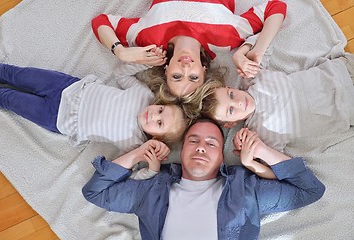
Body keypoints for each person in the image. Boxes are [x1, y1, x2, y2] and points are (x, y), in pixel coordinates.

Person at [82, 118, 325, 240]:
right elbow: (96, 192)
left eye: (211, 144)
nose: (200, 148)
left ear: (222, 157)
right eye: (193, 140)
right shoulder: (152, 188)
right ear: (182, 148)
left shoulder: (246, 188)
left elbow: (309, 190)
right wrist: (139, 153)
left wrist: (258, 153)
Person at [91, 0, 287, 98]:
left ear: (167, 70)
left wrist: (121, 52)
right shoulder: (227, 37)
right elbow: (275, 7)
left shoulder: (147, 38)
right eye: (193, 77)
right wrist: (259, 49)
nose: (185, 69)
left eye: (177, 77)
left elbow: (101, 21)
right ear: (204, 70)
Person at [0, 61, 188, 159]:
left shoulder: (135, 145)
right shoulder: (144, 95)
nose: (154, 114)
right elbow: (120, 74)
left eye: (159, 123)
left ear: (156, 139)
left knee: (7, 98)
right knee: (14, 74)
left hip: (58, 118)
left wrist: (153, 165)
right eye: (161, 109)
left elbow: (126, 169)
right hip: (67, 87)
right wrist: (144, 63)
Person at [201, 57, 354, 151]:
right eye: (231, 110)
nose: (239, 102)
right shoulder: (259, 134)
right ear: (230, 123)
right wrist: (248, 147)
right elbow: (274, 163)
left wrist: (242, 56)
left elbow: (261, 48)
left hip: (339, 72)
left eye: (231, 95)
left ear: (230, 88)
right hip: (346, 108)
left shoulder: (252, 77)